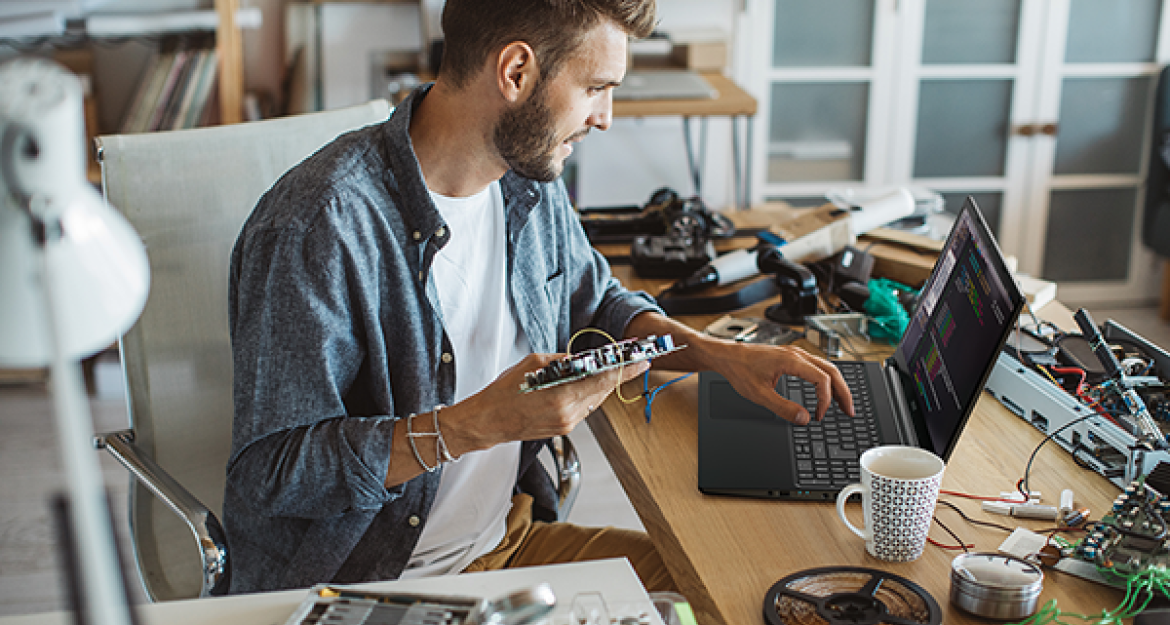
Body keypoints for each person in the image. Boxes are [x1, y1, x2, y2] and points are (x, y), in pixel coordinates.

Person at [224, 0, 854, 595]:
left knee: (724, 591)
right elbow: (273, 473)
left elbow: (595, 302)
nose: (605, 117)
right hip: (368, 582)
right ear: (517, 71)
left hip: (504, 547)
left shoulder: (526, 178)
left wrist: (717, 356)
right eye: (596, 88)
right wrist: (478, 424)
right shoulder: (319, 224)